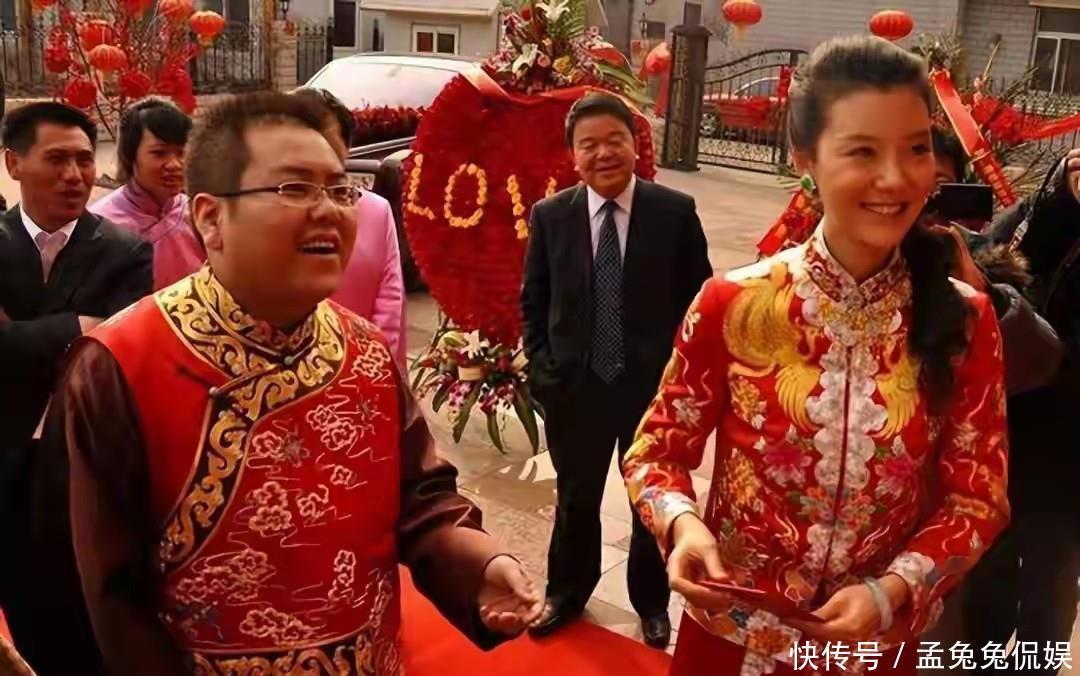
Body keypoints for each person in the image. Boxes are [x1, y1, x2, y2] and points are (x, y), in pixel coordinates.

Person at [31, 92, 541, 675]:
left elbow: (420, 497)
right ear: (211, 218)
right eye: (295, 188)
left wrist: (479, 564)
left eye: (340, 190)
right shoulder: (120, 365)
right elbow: (103, 593)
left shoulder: (365, 350)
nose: (329, 211)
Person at [623, 36, 1009, 676]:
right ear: (805, 158)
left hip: (874, 644)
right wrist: (683, 525)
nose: (896, 178)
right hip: (732, 634)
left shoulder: (967, 319)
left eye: (916, 149)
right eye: (863, 151)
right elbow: (655, 452)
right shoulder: (732, 303)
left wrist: (894, 589)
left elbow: (978, 498)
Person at [521, 92, 713, 648]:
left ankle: (651, 603)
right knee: (575, 498)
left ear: (635, 144)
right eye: (589, 144)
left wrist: (682, 382)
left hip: (650, 392)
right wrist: (543, 371)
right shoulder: (551, 216)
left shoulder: (674, 212)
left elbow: (700, 304)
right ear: (573, 155)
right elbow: (535, 300)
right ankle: (565, 592)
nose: (603, 153)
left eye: (615, 140)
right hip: (574, 389)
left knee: (649, 504)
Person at [0, 102, 153, 665]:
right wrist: (75, 328)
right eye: (57, 159)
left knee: (84, 623)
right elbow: (89, 338)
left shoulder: (125, 252)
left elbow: (116, 355)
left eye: (84, 160)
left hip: (81, 465)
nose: (74, 175)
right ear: (14, 163)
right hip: (4, 460)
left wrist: (15, 336)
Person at [292, 87, 406, 365]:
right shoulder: (269, 209)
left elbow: (390, 309)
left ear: (345, 150)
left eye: (327, 147)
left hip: (361, 370)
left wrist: (370, 371)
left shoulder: (375, 211)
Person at [90, 97, 204, 290]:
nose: (175, 165)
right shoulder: (101, 227)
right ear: (129, 156)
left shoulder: (196, 214)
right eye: (159, 153)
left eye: (181, 152)